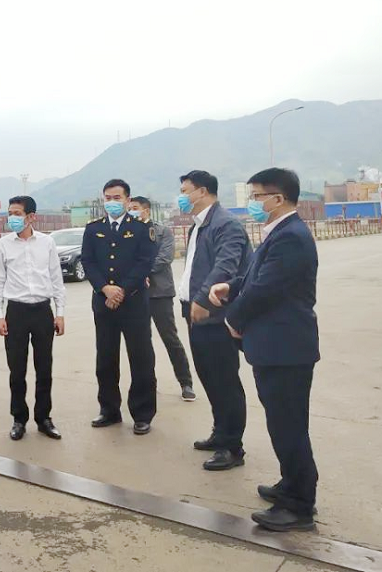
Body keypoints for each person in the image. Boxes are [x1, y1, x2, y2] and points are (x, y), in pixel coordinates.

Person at [210, 167, 320, 532]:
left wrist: (233, 317)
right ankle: (290, 484)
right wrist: (231, 286)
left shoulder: (291, 237)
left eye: (256, 196)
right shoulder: (280, 232)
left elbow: (266, 289)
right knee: (282, 422)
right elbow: (256, 276)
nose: (252, 203)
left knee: (289, 426)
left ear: (277, 198)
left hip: (285, 348)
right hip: (276, 346)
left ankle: (299, 506)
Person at [177, 170, 252, 471]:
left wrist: (203, 299)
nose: (181, 197)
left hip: (215, 314)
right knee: (209, 377)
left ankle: (232, 447)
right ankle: (220, 433)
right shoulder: (199, 225)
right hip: (195, 313)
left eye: (185, 191)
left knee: (224, 381)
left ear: (202, 191)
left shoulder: (225, 224)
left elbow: (226, 266)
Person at [81, 179, 158, 435]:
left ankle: (142, 413)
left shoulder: (141, 228)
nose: (112, 202)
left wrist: (121, 290)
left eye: (117, 198)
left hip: (133, 302)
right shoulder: (93, 229)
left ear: (127, 200)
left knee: (141, 358)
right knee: (105, 358)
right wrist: (105, 288)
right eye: (108, 198)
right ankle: (109, 409)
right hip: (104, 302)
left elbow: (145, 263)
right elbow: (88, 262)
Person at [0, 195, 65, 441]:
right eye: (10, 213)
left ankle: (44, 418)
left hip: (42, 311)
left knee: (44, 369)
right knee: (17, 370)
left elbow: (56, 279)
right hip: (16, 312)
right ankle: (18, 419)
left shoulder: (47, 243)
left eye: (17, 213)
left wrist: (60, 313)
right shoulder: (3, 245)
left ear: (31, 216)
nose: (12, 218)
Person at [128, 196, 196, 402]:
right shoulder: (126, 232)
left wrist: (141, 273)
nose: (131, 211)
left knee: (170, 338)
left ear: (146, 210)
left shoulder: (162, 231)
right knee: (141, 342)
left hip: (160, 292)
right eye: (129, 208)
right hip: (135, 293)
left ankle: (186, 382)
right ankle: (147, 384)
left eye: (135, 208)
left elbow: (165, 258)